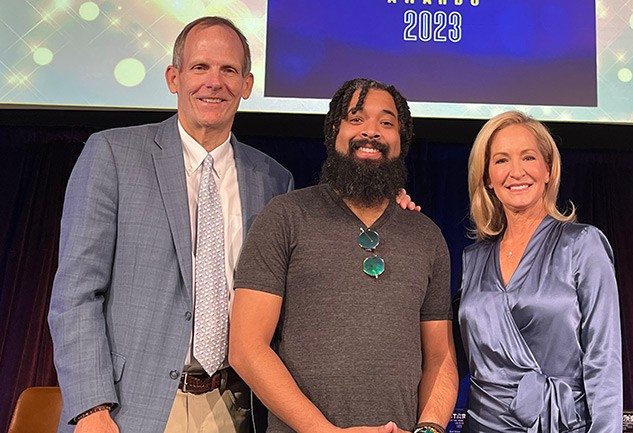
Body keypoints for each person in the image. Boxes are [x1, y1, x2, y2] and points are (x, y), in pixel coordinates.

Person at [48, 16, 294, 433]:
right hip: (127, 411)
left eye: (228, 70)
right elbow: (76, 292)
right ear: (173, 77)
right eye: (200, 67)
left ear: (247, 85)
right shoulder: (112, 153)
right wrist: (91, 408)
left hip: (237, 409)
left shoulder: (273, 180)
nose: (214, 82)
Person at [228, 78, 458, 433]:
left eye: (387, 123)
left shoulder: (425, 235)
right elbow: (246, 347)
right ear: (334, 131)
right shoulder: (286, 216)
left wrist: (428, 429)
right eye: (356, 118)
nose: (372, 132)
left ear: (402, 139)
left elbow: (440, 358)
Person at [456, 111, 622, 432]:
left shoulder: (583, 245)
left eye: (528, 157)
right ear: (488, 177)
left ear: (548, 169)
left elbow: (604, 358)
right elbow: (447, 355)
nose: (516, 172)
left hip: (559, 424)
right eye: (501, 161)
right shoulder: (473, 260)